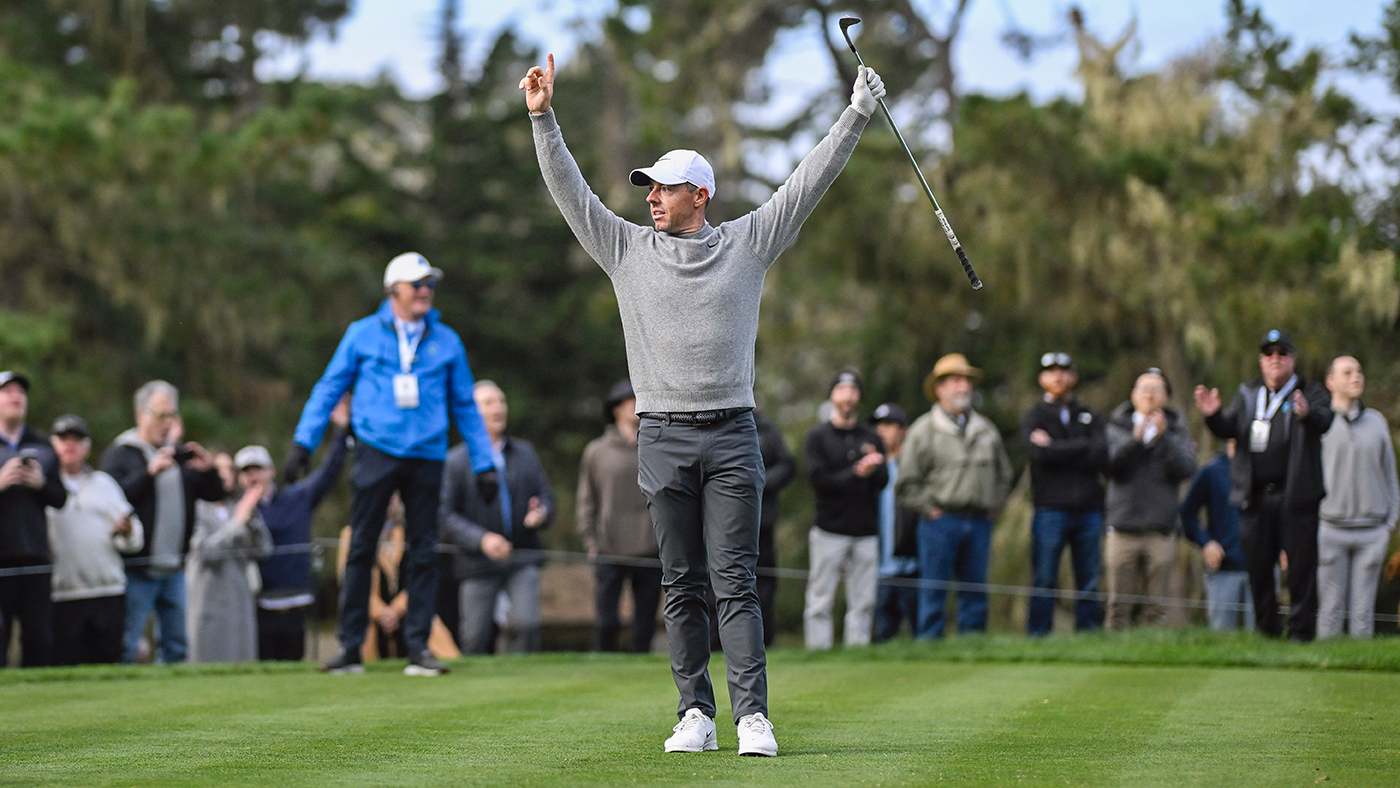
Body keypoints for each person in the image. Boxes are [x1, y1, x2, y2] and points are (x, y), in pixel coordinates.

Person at [522, 50, 887, 756]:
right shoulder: (626, 249)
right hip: (659, 435)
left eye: (665, 187)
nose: (651, 196)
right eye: (649, 187)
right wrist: (542, 118)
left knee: (736, 582)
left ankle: (753, 715)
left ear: (701, 195)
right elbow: (571, 193)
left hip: (731, 436)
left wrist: (856, 113)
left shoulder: (749, 243)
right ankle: (696, 712)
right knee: (681, 583)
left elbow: (808, 181)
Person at [288, 252, 496, 676]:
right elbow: (329, 388)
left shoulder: (447, 340)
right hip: (375, 450)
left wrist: (484, 463)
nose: (425, 292)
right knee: (361, 546)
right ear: (393, 290)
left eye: (429, 285)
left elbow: (466, 406)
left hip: (426, 454)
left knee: (423, 550)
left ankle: (417, 648)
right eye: (417, 285)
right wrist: (302, 443)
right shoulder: (361, 334)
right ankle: (350, 648)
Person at [1195, 329, 1334, 641]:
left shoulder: (1308, 391)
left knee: (1300, 569)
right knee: (1258, 567)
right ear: (1261, 361)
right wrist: (1212, 415)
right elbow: (1228, 428)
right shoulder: (1248, 394)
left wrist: (1306, 414)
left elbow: (1324, 421)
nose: (1275, 359)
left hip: (1296, 496)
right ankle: (1267, 630)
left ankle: (1300, 633)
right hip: (1256, 497)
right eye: (1269, 354)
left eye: (1282, 353)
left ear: (1292, 360)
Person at [102, 380, 224, 664]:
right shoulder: (121, 454)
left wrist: (208, 471)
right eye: (161, 416)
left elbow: (215, 493)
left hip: (175, 570)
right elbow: (110, 500)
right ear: (141, 415)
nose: (168, 423)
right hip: (136, 570)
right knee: (127, 646)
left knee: (177, 648)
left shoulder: (180, 456)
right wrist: (148, 473)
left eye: (172, 415)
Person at [897, 354, 1014, 640]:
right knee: (934, 591)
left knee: (975, 591)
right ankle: (930, 650)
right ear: (939, 388)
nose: (964, 387)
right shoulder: (923, 430)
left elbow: (1004, 475)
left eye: (967, 381)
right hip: (940, 522)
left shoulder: (986, 429)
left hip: (979, 522)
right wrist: (930, 509)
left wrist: (993, 506)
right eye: (956, 380)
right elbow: (906, 484)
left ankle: (971, 647)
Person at [439, 381, 554, 654]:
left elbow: (547, 499)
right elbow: (443, 515)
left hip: (522, 556)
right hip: (476, 563)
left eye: (501, 401)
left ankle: (524, 688)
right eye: (489, 402)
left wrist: (541, 514)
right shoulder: (456, 460)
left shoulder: (524, 453)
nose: (498, 408)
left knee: (527, 625)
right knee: (475, 637)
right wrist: (482, 540)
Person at [246, 398, 352, 661]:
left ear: (270, 471)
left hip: (296, 601)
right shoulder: (240, 511)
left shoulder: (296, 499)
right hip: (260, 604)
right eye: (245, 471)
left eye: (257, 469)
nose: (252, 476)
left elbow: (329, 472)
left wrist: (341, 431)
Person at [1021, 352, 1107, 636]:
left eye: (1064, 370)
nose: (1058, 376)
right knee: (1045, 578)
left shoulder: (1091, 414)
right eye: (1051, 371)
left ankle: (1088, 636)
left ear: (1073, 376)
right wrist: (1079, 446)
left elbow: (1099, 454)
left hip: (1090, 508)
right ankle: (1038, 636)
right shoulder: (1034, 416)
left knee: (1090, 579)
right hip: (1050, 508)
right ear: (1042, 378)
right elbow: (1038, 455)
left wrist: (1055, 447)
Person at [47, 414, 143, 665]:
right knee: (66, 667)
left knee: (110, 664)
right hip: (63, 595)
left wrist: (127, 531)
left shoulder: (105, 484)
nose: (70, 445)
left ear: (87, 448)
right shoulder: (45, 487)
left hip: (107, 592)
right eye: (63, 439)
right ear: (52, 445)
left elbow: (135, 539)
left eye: (77, 439)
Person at [1103, 369, 1196, 630]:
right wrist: (1136, 440)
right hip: (1122, 527)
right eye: (1144, 388)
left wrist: (1162, 439)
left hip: (1160, 528)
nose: (1149, 394)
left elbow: (1187, 469)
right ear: (1133, 395)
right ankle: (1113, 656)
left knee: (1157, 606)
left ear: (1166, 397)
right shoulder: (1116, 426)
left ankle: (1153, 653)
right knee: (1118, 604)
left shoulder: (1177, 430)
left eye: (1156, 389)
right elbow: (1110, 466)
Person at [803, 369, 887, 650]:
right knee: (821, 598)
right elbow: (819, 480)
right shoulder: (818, 437)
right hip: (830, 529)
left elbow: (883, 480)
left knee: (863, 600)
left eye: (853, 391)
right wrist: (856, 472)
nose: (847, 396)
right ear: (832, 396)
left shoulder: (871, 436)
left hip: (865, 530)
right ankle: (817, 651)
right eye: (841, 390)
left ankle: (858, 652)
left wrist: (873, 470)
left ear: (859, 396)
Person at [1317, 355, 1398, 638]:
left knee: (1363, 616)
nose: (1356, 377)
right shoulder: (1320, 422)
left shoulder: (1377, 422)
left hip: (1372, 532)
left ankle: (1359, 665)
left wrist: (1390, 522)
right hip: (1330, 529)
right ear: (1331, 382)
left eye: (1359, 371)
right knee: (1329, 610)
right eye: (1347, 372)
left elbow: (1390, 476)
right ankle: (1325, 671)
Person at [578, 380, 661, 653]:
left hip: (650, 545)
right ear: (616, 409)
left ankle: (642, 668)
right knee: (607, 620)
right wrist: (590, 538)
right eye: (629, 401)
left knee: (645, 621)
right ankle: (604, 663)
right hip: (609, 546)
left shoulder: (658, 446)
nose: (635, 406)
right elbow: (587, 499)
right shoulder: (597, 451)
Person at [0, 371, 67, 667]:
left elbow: (61, 497)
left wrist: (41, 484)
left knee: (39, 637)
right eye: (8, 392)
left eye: (21, 393)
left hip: (35, 556)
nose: (17, 397)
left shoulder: (42, 444)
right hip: (0, 558)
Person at [185, 451, 271, 664]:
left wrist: (251, 519)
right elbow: (206, 552)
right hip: (208, 604)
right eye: (218, 469)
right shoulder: (196, 508)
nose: (224, 475)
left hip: (239, 602)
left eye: (228, 469)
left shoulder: (239, 508)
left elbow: (264, 550)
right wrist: (236, 524)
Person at [1181, 439, 1253, 631]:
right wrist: (1206, 543)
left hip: (1261, 568)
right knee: (1221, 634)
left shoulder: (1268, 469)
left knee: (1264, 638)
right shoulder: (1212, 472)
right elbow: (1187, 515)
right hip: (1223, 568)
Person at [869, 403, 919, 642]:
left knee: (920, 632)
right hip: (878, 569)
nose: (881, 431)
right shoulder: (869, 467)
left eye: (888, 425)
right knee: (882, 636)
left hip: (911, 566)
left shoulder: (915, 466)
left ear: (903, 431)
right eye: (879, 426)